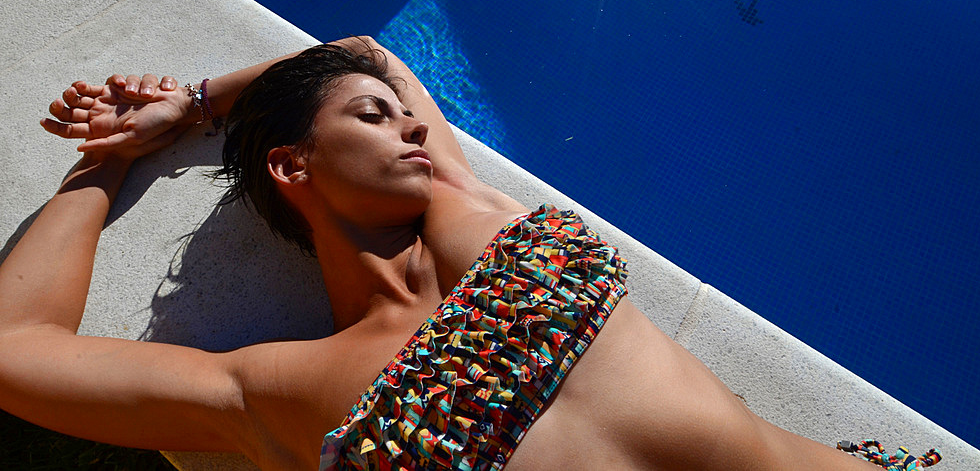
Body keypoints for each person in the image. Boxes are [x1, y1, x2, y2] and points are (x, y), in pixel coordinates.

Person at [0, 36, 905, 470]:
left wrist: (195, 102)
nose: (414, 126)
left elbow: (364, 49)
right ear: (292, 164)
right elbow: (16, 349)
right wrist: (106, 165)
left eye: (405, 116)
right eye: (373, 117)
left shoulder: (476, 218)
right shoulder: (271, 386)